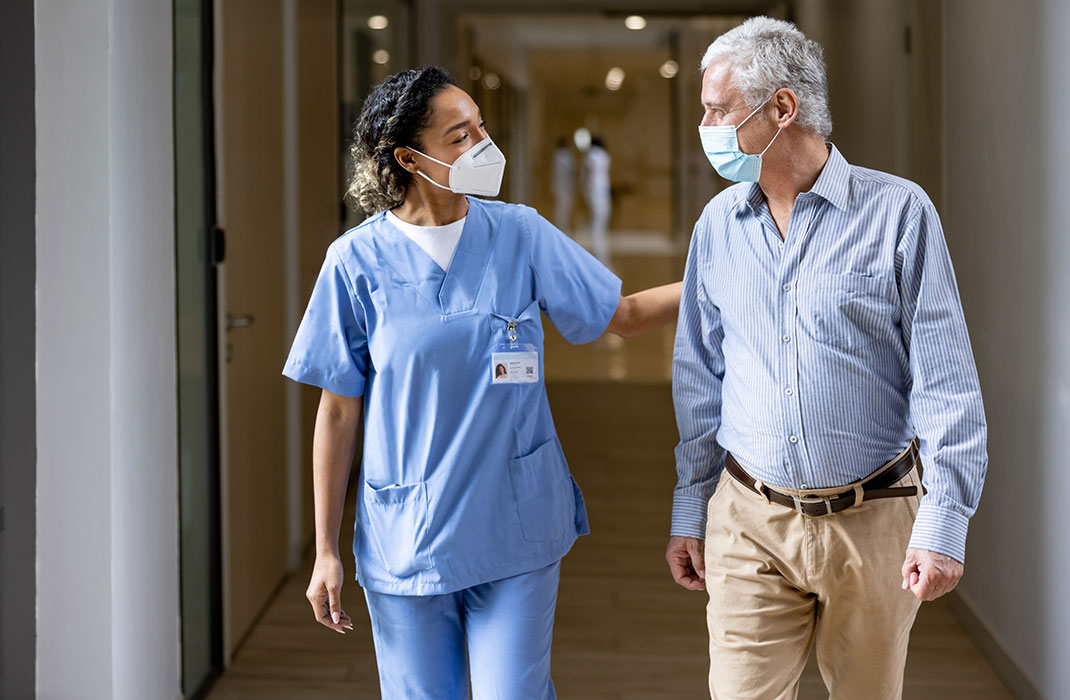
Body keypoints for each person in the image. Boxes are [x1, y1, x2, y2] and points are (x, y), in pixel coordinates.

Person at [283, 67, 681, 700]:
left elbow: (623, 316)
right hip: (409, 535)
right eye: (459, 136)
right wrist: (325, 549)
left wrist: (725, 274)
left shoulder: (519, 233)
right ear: (410, 158)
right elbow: (337, 411)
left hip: (516, 523)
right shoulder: (355, 263)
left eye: (481, 128)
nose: (482, 147)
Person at [667, 17, 987, 700]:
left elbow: (947, 384)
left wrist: (944, 524)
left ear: (781, 108)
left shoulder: (900, 214)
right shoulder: (717, 227)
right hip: (747, 518)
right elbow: (699, 376)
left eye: (718, 109)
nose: (705, 124)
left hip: (874, 525)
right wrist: (689, 507)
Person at [580, 135, 611, 268]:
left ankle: (598, 232)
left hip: (598, 186)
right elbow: (588, 172)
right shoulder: (594, 155)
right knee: (599, 210)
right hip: (595, 187)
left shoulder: (596, 155)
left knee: (601, 210)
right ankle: (596, 233)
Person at [550, 136, 575, 231]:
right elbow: (569, 170)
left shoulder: (564, 155)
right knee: (562, 207)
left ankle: (563, 224)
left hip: (565, 185)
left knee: (564, 207)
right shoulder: (561, 155)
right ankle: (560, 225)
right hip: (562, 185)